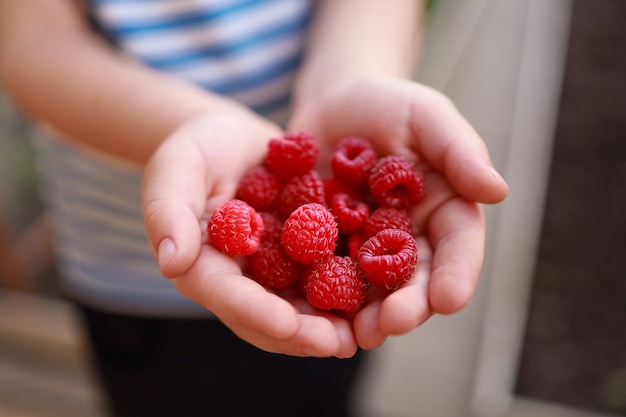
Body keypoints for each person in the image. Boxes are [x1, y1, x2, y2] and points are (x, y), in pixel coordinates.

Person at [0, 0, 509, 416]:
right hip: (135, 276)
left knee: (324, 384)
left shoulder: (332, 251)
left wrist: (351, 75)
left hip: (325, 288)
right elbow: (30, 41)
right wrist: (193, 122)